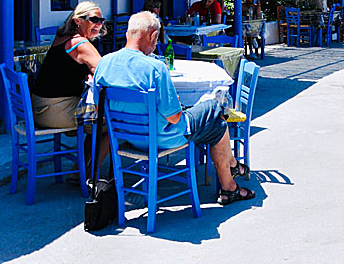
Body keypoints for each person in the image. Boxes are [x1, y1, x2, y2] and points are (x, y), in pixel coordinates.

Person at [93, 11, 255, 205]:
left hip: (126, 137)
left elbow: (98, 107)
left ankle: (231, 180)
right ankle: (230, 176)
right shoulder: (155, 68)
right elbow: (175, 118)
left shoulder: (104, 63)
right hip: (163, 138)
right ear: (153, 36)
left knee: (218, 125)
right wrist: (175, 103)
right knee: (215, 108)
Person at [32, 1, 105, 129]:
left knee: (99, 116)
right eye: (94, 19)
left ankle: (86, 149)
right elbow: (106, 72)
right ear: (78, 21)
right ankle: (92, 149)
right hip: (57, 111)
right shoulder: (80, 44)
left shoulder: (61, 38)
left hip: (40, 108)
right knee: (112, 121)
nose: (99, 24)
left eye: (101, 20)